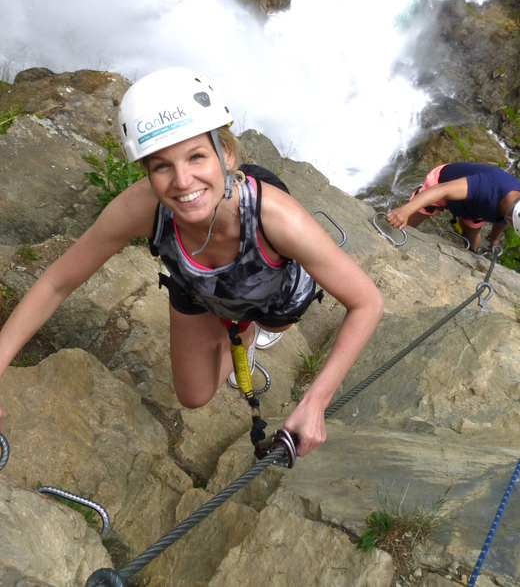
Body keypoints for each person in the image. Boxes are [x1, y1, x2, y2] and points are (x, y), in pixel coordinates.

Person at [0, 68, 384, 457]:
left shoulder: (278, 218)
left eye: (197, 156)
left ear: (226, 155)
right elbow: (57, 282)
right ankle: (240, 332)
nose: (182, 181)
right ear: (146, 172)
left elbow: (366, 301)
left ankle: (250, 331)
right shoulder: (140, 209)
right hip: (197, 286)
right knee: (194, 395)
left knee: (271, 321)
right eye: (162, 166)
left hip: (274, 288)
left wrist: (316, 400)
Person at [385, 162, 520, 252]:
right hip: (443, 184)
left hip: (473, 207)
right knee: (404, 225)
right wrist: (406, 210)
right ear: (511, 215)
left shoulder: (512, 210)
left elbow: (504, 222)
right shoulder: (487, 187)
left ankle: (471, 255)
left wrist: (494, 238)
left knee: (471, 238)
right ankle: (386, 244)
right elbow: (443, 189)